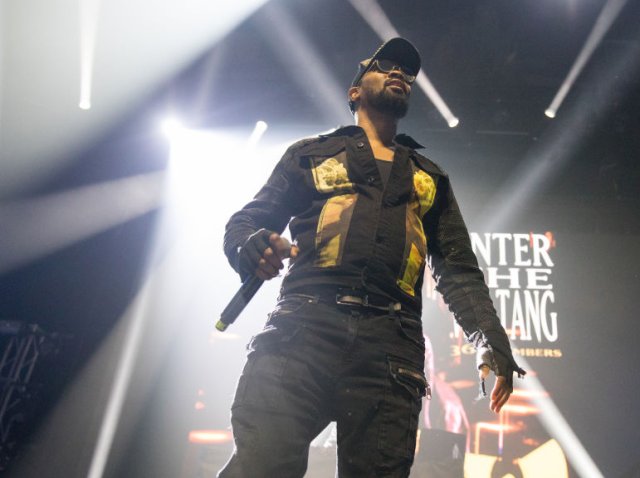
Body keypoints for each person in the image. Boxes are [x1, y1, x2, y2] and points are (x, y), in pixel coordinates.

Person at [218, 37, 525, 478]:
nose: (399, 72)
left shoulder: (429, 177)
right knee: (259, 467)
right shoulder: (309, 155)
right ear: (355, 91)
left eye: (407, 71)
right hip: (304, 329)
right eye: (384, 65)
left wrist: (490, 340)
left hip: (390, 346)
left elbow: (458, 269)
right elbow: (245, 223)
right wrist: (252, 248)